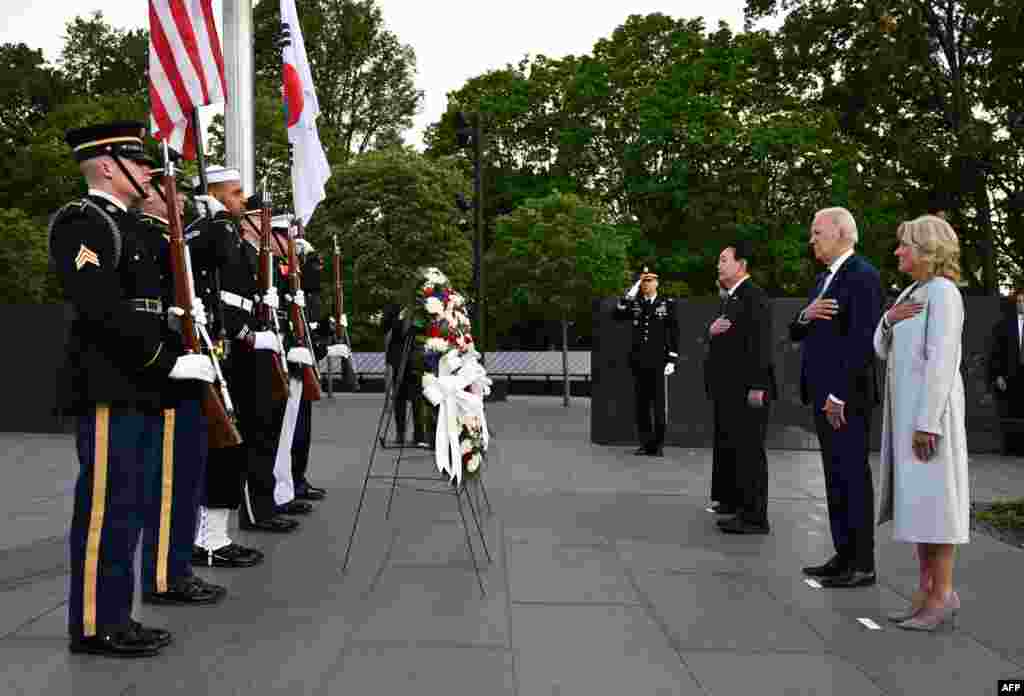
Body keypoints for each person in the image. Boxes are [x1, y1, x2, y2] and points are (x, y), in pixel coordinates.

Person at [51, 121, 216, 657]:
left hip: (140, 386)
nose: (149, 172)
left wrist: (177, 353)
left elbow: (154, 308)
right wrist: (163, 361)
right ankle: (96, 623)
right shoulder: (85, 221)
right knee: (106, 506)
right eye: (138, 162)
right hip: (110, 383)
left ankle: (117, 615)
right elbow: (99, 310)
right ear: (106, 166)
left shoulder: (132, 227)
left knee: (131, 503)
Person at [134, 170, 226, 605]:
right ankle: (163, 575)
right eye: (168, 192)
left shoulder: (173, 241)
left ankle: (178, 567)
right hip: (168, 372)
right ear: (146, 196)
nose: (181, 201)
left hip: (190, 365)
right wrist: (172, 359)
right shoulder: (146, 238)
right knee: (170, 482)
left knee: (188, 476)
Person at [874, 214, 968, 631]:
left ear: (927, 249)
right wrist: (889, 320)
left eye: (904, 245)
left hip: (930, 420)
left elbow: (943, 361)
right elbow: (881, 346)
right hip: (909, 417)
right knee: (917, 508)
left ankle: (943, 594)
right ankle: (927, 591)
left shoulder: (944, 294)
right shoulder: (914, 291)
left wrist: (928, 422)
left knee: (936, 507)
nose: (897, 251)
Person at [791, 207, 882, 588]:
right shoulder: (823, 280)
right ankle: (843, 554)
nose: (812, 239)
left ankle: (861, 564)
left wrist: (839, 395)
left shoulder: (862, 276)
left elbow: (862, 342)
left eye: (817, 232)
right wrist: (804, 315)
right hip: (824, 397)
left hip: (845, 399)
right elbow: (798, 331)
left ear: (842, 233)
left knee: (851, 477)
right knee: (834, 478)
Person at [704, 242, 777, 534]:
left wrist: (758, 385)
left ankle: (755, 517)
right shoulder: (733, 298)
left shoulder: (753, 297)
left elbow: (760, 345)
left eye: (724, 260)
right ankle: (736, 503)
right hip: (730, 388)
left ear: (741, 264)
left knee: (749, 451)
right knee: (734, 447)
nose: (719, 265)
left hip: (749, 389)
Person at [613, 266, 680, 457]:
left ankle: (658, 445)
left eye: (650, 280)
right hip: (639, 361)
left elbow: (674, 332)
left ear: (657, 282)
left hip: (659, 361)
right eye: (643, 281)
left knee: (659, 405)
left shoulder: (667, 303)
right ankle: (645, 443)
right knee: (641, 405)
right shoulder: (635, 303)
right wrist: (630, 293)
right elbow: (617, 315)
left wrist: (672, 359)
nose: (646, 284)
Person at [988, 286, 1024, 456]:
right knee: (1010, 411)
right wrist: (998, 375)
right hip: (1011, 375)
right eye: (1019, 302)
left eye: (1023, 302)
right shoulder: (1003, 325)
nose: (1021, 305)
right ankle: (1011, 448)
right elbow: (996, 352)